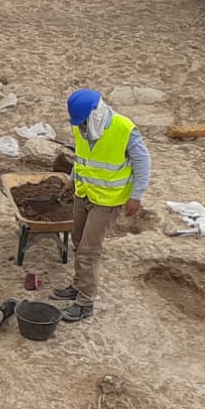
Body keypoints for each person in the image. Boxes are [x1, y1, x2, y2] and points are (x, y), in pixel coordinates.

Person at [53, 90, 150, 324]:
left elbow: (143, 161)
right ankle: (78, 286)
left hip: (108, 201)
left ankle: (85, 303)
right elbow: (82, 158)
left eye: (85, 122)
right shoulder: (82, 127)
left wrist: (136, 196)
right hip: (84, 193)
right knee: (77, 240)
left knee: (89, 250)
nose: (82, 127)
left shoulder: (124, 129)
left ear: (96, 114)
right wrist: (72, 180)